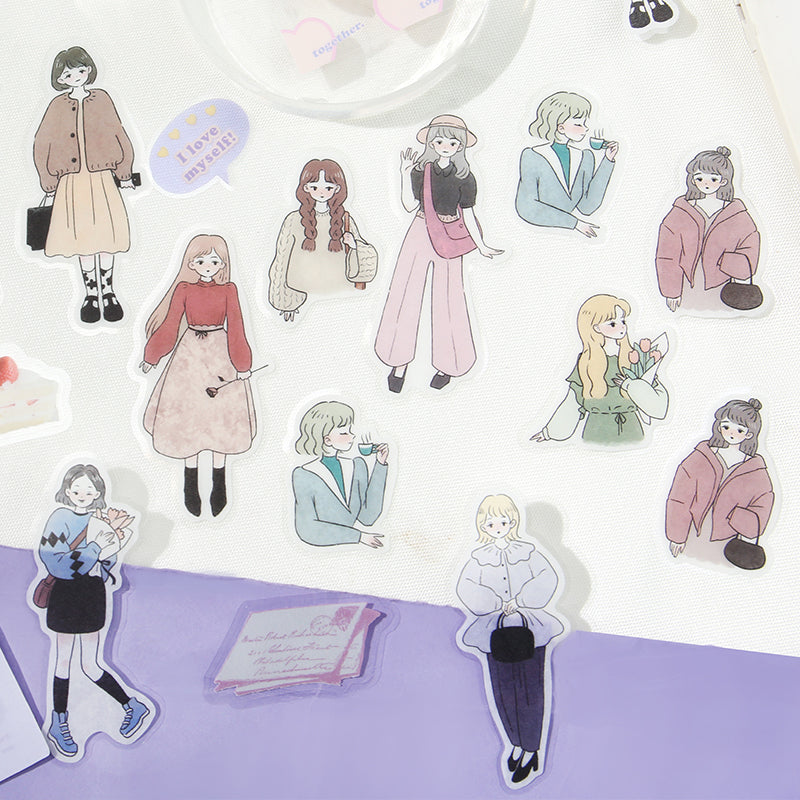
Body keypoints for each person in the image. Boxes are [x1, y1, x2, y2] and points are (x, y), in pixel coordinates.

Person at [374, 114, 502, 393]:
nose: (446, 146)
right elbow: (409, 206)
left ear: (460, 146)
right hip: (420, 229)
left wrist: (481, 245)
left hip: (450, 237)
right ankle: (398, 363)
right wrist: (403, 173)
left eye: (453, 142)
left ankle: (449, 365)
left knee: (450, 296)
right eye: (440, 140)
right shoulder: (422, 170)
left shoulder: (464, 177)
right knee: (405, 292)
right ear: (431, 143)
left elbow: (469, 215)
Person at [34, 464, 150, 759]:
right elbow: (55, 561)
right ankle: (59, 723)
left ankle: (132, 706)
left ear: (99, 492)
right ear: (67, 490)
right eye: (77, 489)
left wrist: (107, 548)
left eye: (90, 489)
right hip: (66, 591)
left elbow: (107, 563)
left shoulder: (101, 520)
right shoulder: (60, 517)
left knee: (90, 664)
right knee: (62, 661)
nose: (83, 494)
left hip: (90, 593)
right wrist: (94, 549)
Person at [140, 234, 256, 517]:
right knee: (189, 414)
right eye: (201, 261)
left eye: (214, 261)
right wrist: (152, 356)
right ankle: (190, 483)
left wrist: (242, 362)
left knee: (219, 416)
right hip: (189, 355)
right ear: (191, 263)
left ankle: (219, 482)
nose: (208, 266)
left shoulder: (229, 290)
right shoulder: (184, 289)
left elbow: (237, 326)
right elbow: (170, 324)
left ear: (222, 264)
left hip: (219, 354)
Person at [456, 495, 564, 786]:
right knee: (502, 693)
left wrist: (521, 600)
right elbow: (467, 588)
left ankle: (531, 749)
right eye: (491, 523)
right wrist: (495, 603)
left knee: (531, 693)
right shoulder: (478, 559)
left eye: (503, 521)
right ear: (483, 525)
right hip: (494, 633)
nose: (497, 527)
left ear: (512, 521)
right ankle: (516, 743)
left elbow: (548, 578)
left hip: (532, 631)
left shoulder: (529, 552)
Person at [33, 46, 135, 323]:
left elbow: (117, 131)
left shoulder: (102, 99)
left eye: (80, 70)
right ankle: (91, 294)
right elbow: (43, 141)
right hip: (71, 182)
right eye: (67, 74)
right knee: (83, 239)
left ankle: (109, 292)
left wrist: (124, 170)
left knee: (106, 236)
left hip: (101, 178)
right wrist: (47, 178)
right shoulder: (57, 105)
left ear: (88, 70)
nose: (75, 77)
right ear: (60, 79)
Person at [531, 294, 668, 444]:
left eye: (623, 321)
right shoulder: (587, 362)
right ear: (596, 327)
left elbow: (655, 397)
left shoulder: (634, 357)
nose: (622, 327)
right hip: (596, 432)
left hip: (632, 431)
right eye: (612, 324)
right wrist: (549, 432)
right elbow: (572, 402)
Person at [268, 158, 378, 321]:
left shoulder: (344, 219)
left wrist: (354, 245)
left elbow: (365, 258)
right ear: (306, 188)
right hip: (302, 290)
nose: (321, 192)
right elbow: (282, 259)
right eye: (314, 187)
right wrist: (285, 302)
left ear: (337, 188)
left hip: (341, 296)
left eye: (328, 188)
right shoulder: (293, 220)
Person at [666, 399, 774, 563]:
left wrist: (735, 515)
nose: (731, 433)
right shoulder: (700, 458)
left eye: (739, 430)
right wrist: (676, 535)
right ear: (719, 426)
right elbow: (679, 498)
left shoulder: (756, 471)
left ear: (749, 434)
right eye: (726, 427)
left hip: (728, 544)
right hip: (692, 535)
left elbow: (761, 511)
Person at [655, 147, 760, 312]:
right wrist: (671, 291)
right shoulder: (680, 212)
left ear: (723, 181)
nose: (705, 183)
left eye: (713, 178)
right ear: (693, 180)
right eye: (699, 178)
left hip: (722, 287)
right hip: (688, 286)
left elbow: (750, 249)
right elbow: (667, 255)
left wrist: (727, 261)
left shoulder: (737, 214)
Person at [515, 92, 618, 237]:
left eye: (584, 124)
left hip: (575, 237)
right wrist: (575, 223)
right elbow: (527, 208)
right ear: (560, 127)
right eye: (578, 124)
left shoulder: (585, 157)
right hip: (538, 235)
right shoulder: (532, 156)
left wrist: (607, 161)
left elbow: (587, 206)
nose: (585, 129)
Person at [292, 401, 388, 547]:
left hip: (357, 551)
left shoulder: (357, 465)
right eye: (344, 433)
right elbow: (308, 530)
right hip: (323, 552)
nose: (352, 436)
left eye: (350, 431)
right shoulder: (304, 475)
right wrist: (359, 537)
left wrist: (380, 465)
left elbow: (368, 517)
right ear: (327, 440)